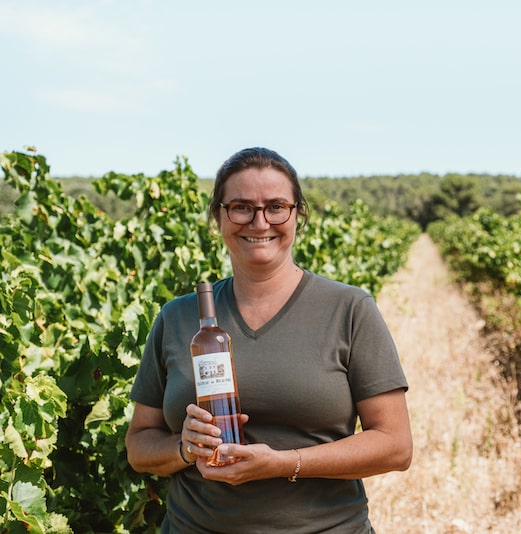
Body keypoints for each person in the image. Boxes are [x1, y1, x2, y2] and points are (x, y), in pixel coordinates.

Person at [125, 147, 413, 533]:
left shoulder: (349, 309)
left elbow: (395, 446)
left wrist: (284, 463)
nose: (259, 222)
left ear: (298, 214)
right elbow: (139, 445)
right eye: (241, 207)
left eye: (276, 207)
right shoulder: (177, 318)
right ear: (219, 217)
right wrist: (184, 447)